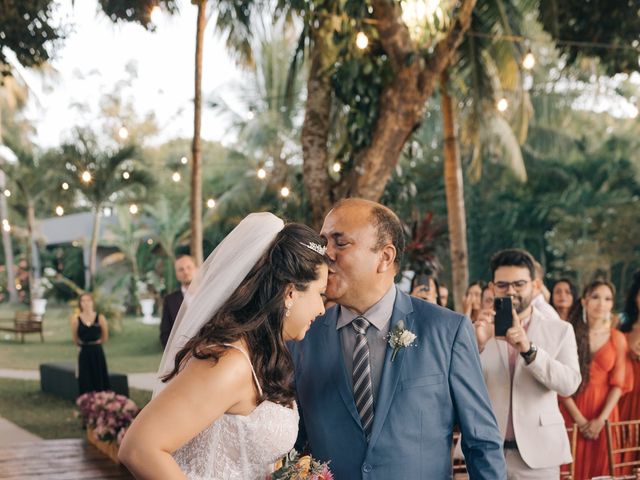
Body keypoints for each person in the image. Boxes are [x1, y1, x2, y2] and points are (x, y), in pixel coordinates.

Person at [293, 198, 505, 479]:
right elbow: (295, 444)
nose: (326, 253)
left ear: (385, 257)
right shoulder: (302, 336)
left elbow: (482, 442)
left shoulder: (447, 330)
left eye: (340, 243)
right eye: (323, 243)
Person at [119, 213, 329, 479]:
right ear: (289, 293)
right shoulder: (229, 363)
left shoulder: (259, 356)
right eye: (320, 293)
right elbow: (139, 448)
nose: (322, 308)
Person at [474, 248, 581, 478]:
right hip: (487, 453)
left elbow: (570, 384)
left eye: (519, 284)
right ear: (492, 288)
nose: (510, 291)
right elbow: (463, 389)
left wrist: (529, 350)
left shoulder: (559, 330)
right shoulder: (476, 330)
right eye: (502, 285)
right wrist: (477, 345)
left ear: (535, 285)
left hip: (539, 457)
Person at [560, 280, 632, 480]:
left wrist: (600, 420)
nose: (602, 303)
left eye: (608, 299)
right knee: (570, 469)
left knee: (603, 471)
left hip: (605, 415)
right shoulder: (569, 334)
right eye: (595, 297)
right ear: (584, 301)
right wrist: (580, 421)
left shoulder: (617, 338)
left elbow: (619, 384)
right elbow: (559, 382)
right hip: (572, 410)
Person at [70, 293, 111, 395]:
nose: (86, 303)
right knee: (85, 376)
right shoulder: (76, 319)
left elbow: (105, 337)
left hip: (97, 351)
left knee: (99, 375)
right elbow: (75, 338)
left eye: (88, 300)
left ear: (93, 302)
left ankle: (101, 398)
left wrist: (96, 343)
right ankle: (86, 400)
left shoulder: (100, 318)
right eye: (83, 301)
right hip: (84, 351)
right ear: (80, 303)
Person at [160, 255, 197, 348]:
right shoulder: (169, 300)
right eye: (181, 269)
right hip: (181, 353)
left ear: (196, 269)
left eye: (189, 267)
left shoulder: (209, 293)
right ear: (176, 275)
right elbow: (165, 334)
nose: (186, 272)